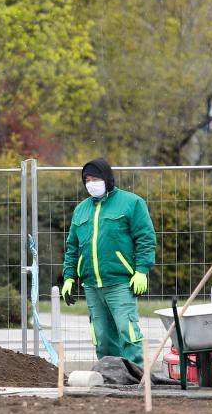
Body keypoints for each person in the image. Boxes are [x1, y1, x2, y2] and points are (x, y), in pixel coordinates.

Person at [60, 158, 156, 368]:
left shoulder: (131, 203)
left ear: (108, 179)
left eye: (95, 178)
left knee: (127, 330)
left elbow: (145, 238)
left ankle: (137, 375)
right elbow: (72, 247)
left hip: (120, 283)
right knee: (102, 336)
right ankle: (110, 373)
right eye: (87, 179)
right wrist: (68, 278)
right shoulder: (81, 210)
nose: (91, 182)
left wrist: (141, 271)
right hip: (92, 285)